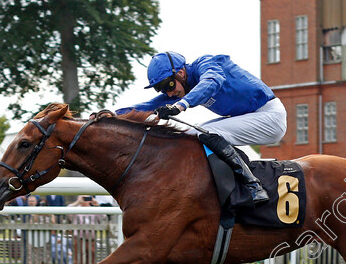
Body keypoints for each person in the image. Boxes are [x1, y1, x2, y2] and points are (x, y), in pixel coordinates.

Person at [117, 51, 287, 204]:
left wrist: (181, 105)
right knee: (190, 134)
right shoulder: (182, 87)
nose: (168, 93)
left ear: (181, 73)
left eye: (168, 85)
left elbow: (212, 81)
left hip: (270, 116)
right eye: (161, 89)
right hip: (251, 116)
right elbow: (148, 105)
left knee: (204, 132)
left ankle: (253, 186)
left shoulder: (206, 65)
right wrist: (112, 116)